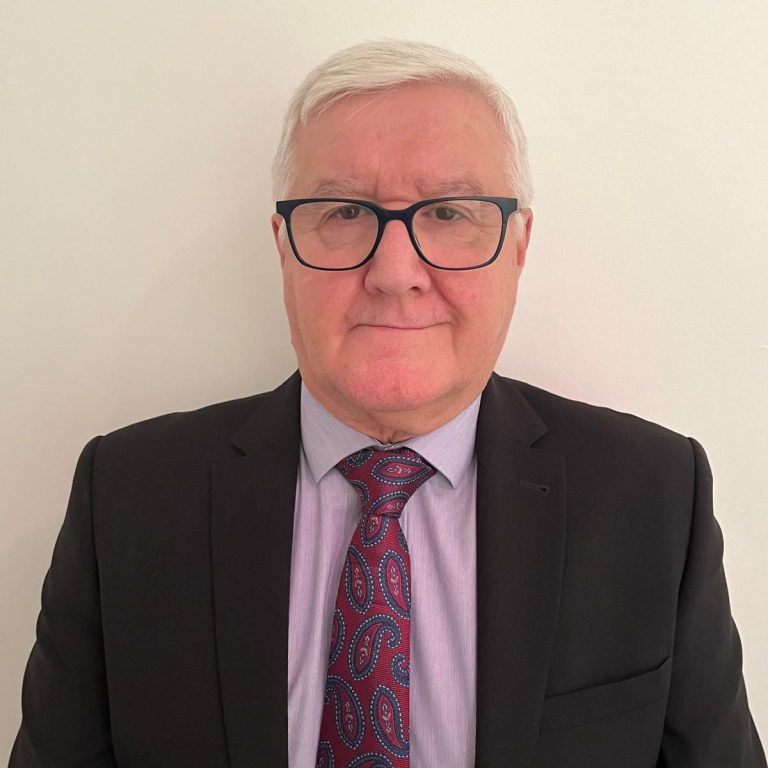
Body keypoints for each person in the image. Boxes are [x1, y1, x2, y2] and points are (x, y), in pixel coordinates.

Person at [9, 39, 765, 768]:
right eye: (342, 213)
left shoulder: (655, 494)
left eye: (449, 212)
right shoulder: (129, 495)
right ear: (283, 245)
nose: (394, 271)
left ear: (519, 245)